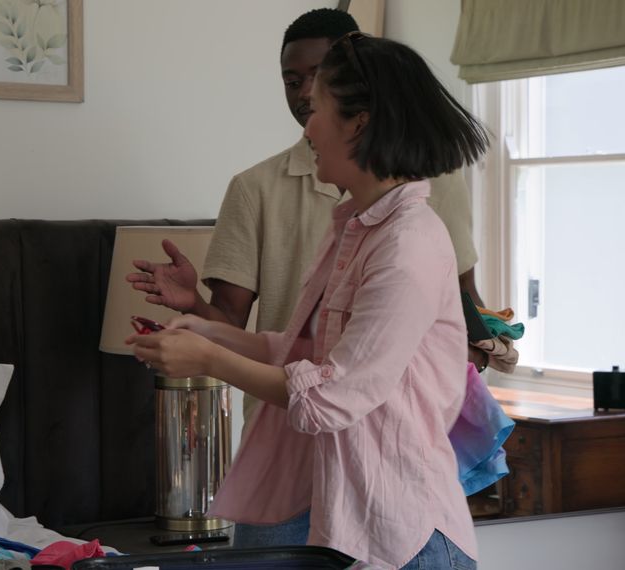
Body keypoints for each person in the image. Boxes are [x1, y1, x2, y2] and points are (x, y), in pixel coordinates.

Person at [128, 31, 486, 570]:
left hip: (395, 531)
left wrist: (209, 360)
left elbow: (331, 397)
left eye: (316, 107)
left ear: (359, 120)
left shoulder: (407, 243)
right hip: (317, 497)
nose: (307, 124)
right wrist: (207, 331)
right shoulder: (354, 227)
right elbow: (303, 354)